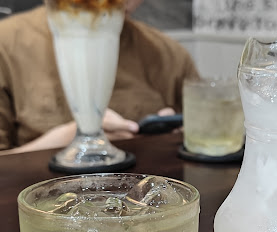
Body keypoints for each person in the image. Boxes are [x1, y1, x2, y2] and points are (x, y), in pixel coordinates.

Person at [0, 0, 199, 154]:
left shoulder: (169, 56)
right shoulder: (7, 44)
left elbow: (205, 137)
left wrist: (176, 140)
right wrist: (69, 139)